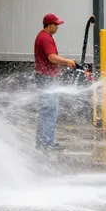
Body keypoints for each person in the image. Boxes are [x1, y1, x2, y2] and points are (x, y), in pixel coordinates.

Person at [34, 13, 80, 150]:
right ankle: (47, 143)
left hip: (44, 78)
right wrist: (67, 62)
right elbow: (52, 57)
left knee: (46, 110)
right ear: (49, 25)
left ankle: (43, 142)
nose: (57, 27)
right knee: (50, 110)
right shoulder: (46, 38)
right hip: (47, 79)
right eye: (56, 25)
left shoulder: (42, 36)